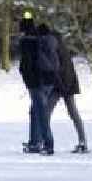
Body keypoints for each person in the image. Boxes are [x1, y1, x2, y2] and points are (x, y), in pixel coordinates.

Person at [47, 30, 88, 153]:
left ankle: (45, 141)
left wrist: (61, 86)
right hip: (66, 85)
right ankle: (83, 142)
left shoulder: (56, 50)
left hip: (63, 86)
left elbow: (62, 71)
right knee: (73, 114)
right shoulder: (61, 48)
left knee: (47, 112)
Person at [33, 22, 60, 155]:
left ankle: (44, 143)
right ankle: (38, 141)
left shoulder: (40, 45)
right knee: (38, 111)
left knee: (40, 112)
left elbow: (39, 62)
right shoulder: (54, 43)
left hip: (42, 80)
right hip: (51, 80)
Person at [18, 11, 41, 154]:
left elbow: (26, 65)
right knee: (37, 111)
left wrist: (27, 78)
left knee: (36, 111)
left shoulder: (27, 41)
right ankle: (37, 140)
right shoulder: (39, 39)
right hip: (42, 79)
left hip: (35, 81)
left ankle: (36, 142)